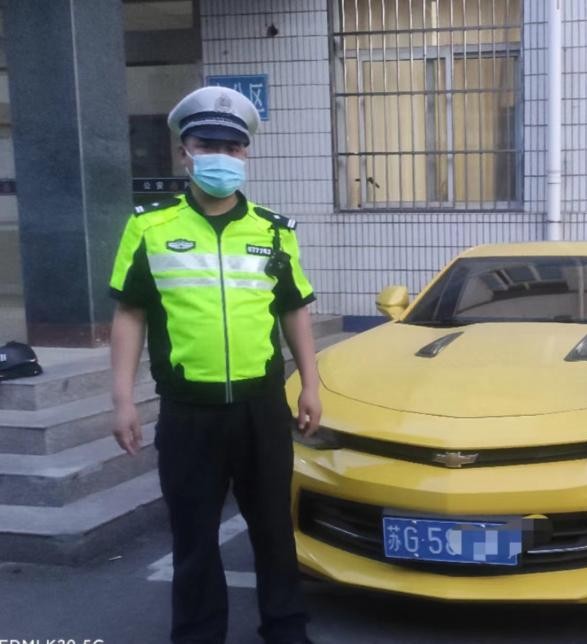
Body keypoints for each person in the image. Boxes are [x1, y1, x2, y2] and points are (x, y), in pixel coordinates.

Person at [109, 86, 320, 644]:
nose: (221, 157)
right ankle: (199, 634)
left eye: (232, 147)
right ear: (185, 151)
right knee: (194, 536)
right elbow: (130, 313)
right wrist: (122, 399)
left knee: (273, 528)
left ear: (245, 154)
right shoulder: (150, 228)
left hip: (260, 408)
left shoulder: (274, 230)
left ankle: (286, 628)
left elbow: (294, 311)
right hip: (188, 412)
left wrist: (311, 385)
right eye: (208, 145)